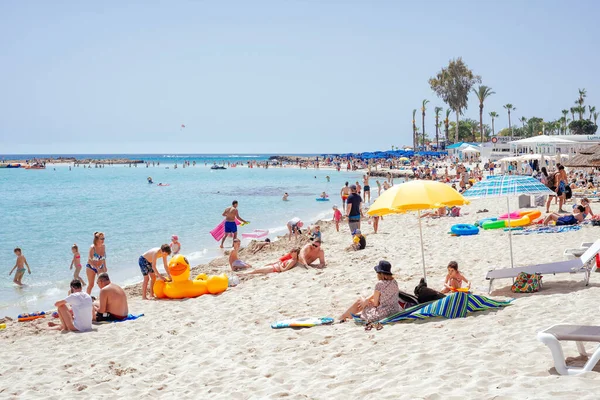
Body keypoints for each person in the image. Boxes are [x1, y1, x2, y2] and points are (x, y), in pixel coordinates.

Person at [339, 260, 400, 326]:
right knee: (366, 301)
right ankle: (346, 316)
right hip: (395, 310)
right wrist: (368, 299)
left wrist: (367, 301)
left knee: (360, 300)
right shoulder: (394, 282)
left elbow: (376, 304)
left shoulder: (379, 284)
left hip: (382, 314)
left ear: (380, 274)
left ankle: (343, 317)